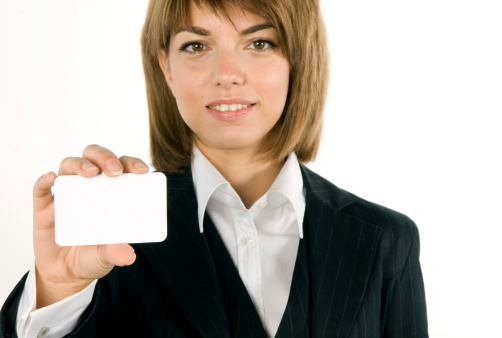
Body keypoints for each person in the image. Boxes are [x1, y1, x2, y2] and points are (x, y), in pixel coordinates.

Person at [0, 0, 428, 337]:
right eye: (196, 45)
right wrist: (58, 290)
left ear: (298, 58)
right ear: (165, 65)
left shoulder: (386, 241)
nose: (227, 74)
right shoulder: (113, 235)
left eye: (260, 43)